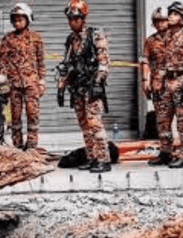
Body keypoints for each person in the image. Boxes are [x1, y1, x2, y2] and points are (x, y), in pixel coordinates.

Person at [56, 0, 112, 173]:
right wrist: (61, 84)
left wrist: (98, 81)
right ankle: (91, 157)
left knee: (94, 123)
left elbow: (104, 62)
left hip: (91, 86)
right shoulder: (70, 40)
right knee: (84, 125)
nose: (73, 22)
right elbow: (66, 64)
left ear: (83, 18)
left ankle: (104, 159)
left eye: (76, 19)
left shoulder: (95, 35)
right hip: (77, 87)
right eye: (71, 19)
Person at [150, 1, 183, 168]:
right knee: (162, 121)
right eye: (170, 13)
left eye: (175, 14)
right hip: (165, 84)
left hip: (182, 82)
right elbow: (162, 63)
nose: (170, 16)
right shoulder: (166, 38)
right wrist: (157, 82)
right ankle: (165, 152)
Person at [0, 3, 46, 151]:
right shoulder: (8, 39)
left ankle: (32, 146)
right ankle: (18, 146)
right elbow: (3, 63)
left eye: (21, 19)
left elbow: (41, 61)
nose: (17, 22)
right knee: (15, 117)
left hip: (31, 83)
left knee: (33, 115)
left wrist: (42, 82)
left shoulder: (36, 38)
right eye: (15, 20)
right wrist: (4, 83)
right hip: (14, 85)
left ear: (27, 19)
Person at [141, 7, 171, 165]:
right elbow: (144, 61)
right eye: (157, 21)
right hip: (158, 85)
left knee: (181, 120)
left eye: (163, 20)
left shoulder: (177, 38)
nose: (160, 24)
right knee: (162, 120)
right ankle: (165, 152)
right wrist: (145, 81)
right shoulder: (151, 40)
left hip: (176, 84)